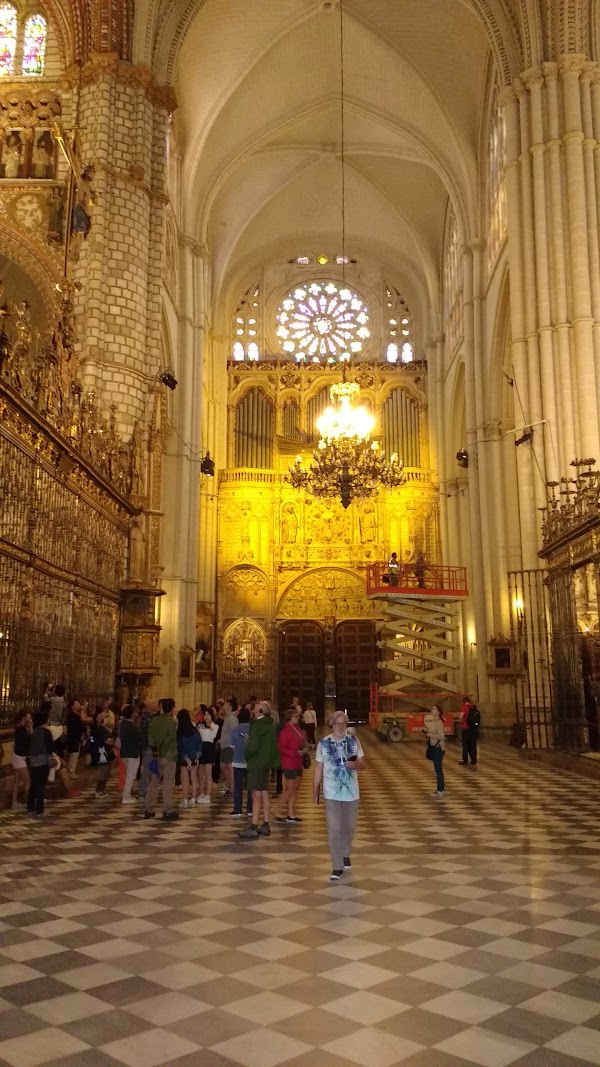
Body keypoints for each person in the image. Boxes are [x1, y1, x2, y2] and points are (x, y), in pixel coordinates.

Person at [313, 711, 365, 880]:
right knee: (334, 828)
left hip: (351, 792)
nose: (341, 727)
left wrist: (355, 765)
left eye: (344, 724)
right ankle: (337, 866)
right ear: (332, 725)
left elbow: (363, 763)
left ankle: (345, 853)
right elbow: (318, 768)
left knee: (348, 827)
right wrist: (315, 789)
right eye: (337, 724)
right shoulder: (323, 743)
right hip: (331, 792)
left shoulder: (354, 741)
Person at [239, 702, 280, 840]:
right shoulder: (270, 725)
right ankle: (266, 823)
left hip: (256, 763)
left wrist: (247, 752)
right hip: (265, 763)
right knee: (264, 792)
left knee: (256, 794)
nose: (254, 707)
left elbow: (253, 746)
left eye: (257, 706)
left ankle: (254, 826)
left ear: (261, 711)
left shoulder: (257, 725)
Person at [145, 698, 179, 821]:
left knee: (153, 782)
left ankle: (148, 809)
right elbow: (171, 739)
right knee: (167, 784)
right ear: (172, 708)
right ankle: (167, 810)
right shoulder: (172, 722)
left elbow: (150, 737)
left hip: (156, 755)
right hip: (168, 756)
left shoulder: (154, 720)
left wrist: (156, 749)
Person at [276, 707, 307, 823]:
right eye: (295, 716)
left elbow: (302, 741)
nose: (298, 718)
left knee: (295, 788)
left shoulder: (298, 729)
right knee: (289, 789)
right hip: (289, 762)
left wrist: (304, 748)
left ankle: (291, 813)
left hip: (298, 761)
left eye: (298, 716)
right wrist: (295, 752)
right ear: (289, 718)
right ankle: (276, 810)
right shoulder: (285, 731)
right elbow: (281, 748)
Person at [27, 707, 55, 816]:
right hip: (43, 760)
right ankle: (39, 810)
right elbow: (50, 747)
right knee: (41, 786)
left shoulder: (34, 732)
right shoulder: (46, 732)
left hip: (33, 761)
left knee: (34, 784)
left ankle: (30, 808)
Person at [177, 708, 202, 808]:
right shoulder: (195, 731)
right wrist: (197, 756)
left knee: (185, 779)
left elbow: (180, 746)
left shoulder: (180, 732)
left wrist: (185, 757)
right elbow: (199, 744)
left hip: (184, 758)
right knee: (194, 778)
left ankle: (184, 800)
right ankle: (193, 799)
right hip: (194, 757)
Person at [230, 707, 252, 817]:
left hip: (238, 761)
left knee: (238, 786)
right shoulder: (253, 729)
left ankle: (237, 809)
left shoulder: (235, 730)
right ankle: (250, 809)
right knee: (250, 787)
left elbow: (232, 746)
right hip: (250, 761)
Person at [119, 704, 142, 804]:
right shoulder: (131, 726)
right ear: (132, 714)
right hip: (132, 753)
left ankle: (127, 794)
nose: (136, 713)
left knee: (128, 775)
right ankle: (126, 796)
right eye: (134, 712)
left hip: (124, 752)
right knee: (131, 776)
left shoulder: (122, 724)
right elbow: (139, 738)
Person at [89, 708, 115, 796]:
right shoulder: (100, 729)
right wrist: (110, 741)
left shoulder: (104, 729)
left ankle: (102, 789)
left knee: (106, 771)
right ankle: (99, 790)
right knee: (102, 771)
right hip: (102, 752)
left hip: (105, 751)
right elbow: (105, 740)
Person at [197, 707, 219, 803]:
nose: (206, 717)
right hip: (201, 748)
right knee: (200, 773)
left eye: (208, 715)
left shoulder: (215, 726)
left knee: (208, 773)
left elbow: (214, 735)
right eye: (205, 715)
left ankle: (208, 795)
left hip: (209, 748)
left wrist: (211, 725)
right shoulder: (200, 726)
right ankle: (202, 793)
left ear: (211, 716)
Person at [138, 699, 159, 800]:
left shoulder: (149, 717)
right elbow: (151, 732)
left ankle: (147, 790)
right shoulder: (147, 718)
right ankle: (142, 792)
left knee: (149, 769)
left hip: (148, 746)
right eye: (153, 703)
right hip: (147, 746)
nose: (155, 705)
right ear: (148, 706)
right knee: (147, 769)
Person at [11, 710, 32, 811]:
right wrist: (31, 728)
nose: (30, 719)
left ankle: (14, 803)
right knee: (27, 780)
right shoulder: (21, 729)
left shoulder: (20, 728)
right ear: (24, 717)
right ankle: (30, 803)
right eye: (29, 717)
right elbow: (30, 741)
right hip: (19, 757)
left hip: (18, 757)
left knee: (17, 781)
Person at [424, 705, 446, 797]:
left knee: (438, 769)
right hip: (435, 747)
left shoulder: (439, 722)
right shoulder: (434, 722)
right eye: (432, 708)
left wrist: (430, 735)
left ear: (438, 712)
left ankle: (440, 790)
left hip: (438, 748)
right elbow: (434, 732)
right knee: (437, 769)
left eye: (434, 709)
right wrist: (427, 732)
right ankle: (440, 788)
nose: (432, 710)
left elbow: (441, 736)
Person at [219, 701, 238, 799]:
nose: (224, 705)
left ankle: (233, 790)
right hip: (225, 745)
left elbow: (235, 732)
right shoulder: (227, 717)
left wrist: (232, 744)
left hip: (229, 746)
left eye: (226, 704)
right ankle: (231, 785)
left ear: (230, 706)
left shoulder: (231, 718)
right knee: (223, 766)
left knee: (230, 768)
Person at [65, 697, 87, 777]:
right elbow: (78, 726)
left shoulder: (75, 715)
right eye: (76, 703)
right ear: (72, 706)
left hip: (76, 737)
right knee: (73, 755)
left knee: (75, 755)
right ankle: (71, 772)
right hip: (73, 738)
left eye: (78, 703)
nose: (78, 705)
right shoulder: (72, 715)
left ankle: (72, 772)